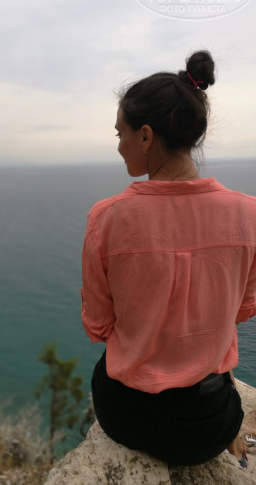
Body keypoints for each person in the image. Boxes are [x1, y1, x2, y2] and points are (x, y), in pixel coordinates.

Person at [81, 50, 256, 467]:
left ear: (145, 136)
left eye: (120, 134)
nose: (119, 146)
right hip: (210, 425)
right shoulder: (250, 215)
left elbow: (98, 325)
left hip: (128, 416)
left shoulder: (106, 219)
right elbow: (243, 309)